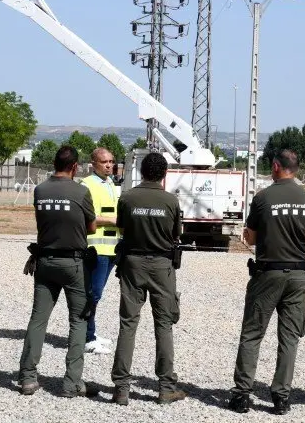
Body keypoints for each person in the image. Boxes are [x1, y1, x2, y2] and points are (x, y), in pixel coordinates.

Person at [228, 149, 305, 416]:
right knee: (289, 338)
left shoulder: (263, 198)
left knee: (253, 332)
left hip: (268, 273)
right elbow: (304, 232)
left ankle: (242, 394)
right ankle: (281, 398)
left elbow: (251, 238)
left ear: (276, 166)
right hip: (298, 276)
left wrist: (249, 236)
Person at [18, 146, 98, 397]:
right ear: (75, 166)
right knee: (78, 321)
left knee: (38, 319)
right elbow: (92, 228)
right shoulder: (81, 192)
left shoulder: (40, 190)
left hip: (45, 261)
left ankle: (28, 378)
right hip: (73, 264)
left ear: (54, 164)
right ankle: (71, 382)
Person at [110, 152, 186, 406]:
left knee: (128, 324)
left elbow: (121, 227)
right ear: (164, 174)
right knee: (163, 325)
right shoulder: (170, 201)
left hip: (132, 264)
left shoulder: (128, 197)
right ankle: (166, 388)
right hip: (162, 266)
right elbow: (177, 233)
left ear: (142, 171)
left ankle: (121, 388)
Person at [81, 147, 122, 355]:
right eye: (104, 162)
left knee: (97, 294)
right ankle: (86, 337)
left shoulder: (111, 184)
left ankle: (91, 332)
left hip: (112, 247)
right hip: (96, 248)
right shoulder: (87, 185)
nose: (109, 165)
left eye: (111, 161)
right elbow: (88, 218)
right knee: (92, 293)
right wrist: (113, 221)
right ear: (93, 164)